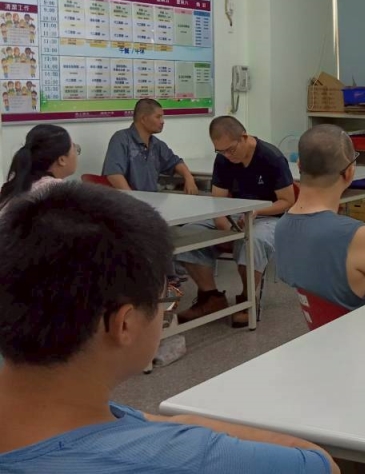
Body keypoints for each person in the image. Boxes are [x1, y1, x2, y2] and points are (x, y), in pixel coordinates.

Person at [0, 183, 339, 474]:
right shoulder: (189, 457)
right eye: (166, 297)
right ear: (124, 323)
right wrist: (188, 426)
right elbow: (318, 463)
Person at [277, 125, 365, 311]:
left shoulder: (282, 227)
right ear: (349, 172)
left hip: (329, 327)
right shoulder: (353, 234)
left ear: (299, 166)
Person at [175, 116, 295, 327]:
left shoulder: (271, 158)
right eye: (220, 151)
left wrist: (255, 211)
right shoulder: (223, 159)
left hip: (267, 216)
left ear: (244, 137)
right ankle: (210, 297)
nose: (227, 156)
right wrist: (223, 224)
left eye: (230, 150)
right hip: (234, 214)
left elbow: (287, 201)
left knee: (253, 240)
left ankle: (247, 299)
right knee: (188, 234)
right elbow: (218, 201)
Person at [102, 98, 199, 194]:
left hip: (152, 199)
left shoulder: (156, 144)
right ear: (144, 119)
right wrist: (132, 199)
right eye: (158, 117)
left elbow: (175, 162)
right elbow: (114, 174)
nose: (162, 121)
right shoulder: (121, 139)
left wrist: (189, 178)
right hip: (128, 200)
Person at [0, 124, 78, 210]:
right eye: (74, 148)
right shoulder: (56, 190)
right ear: (62, 160)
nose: (76, 154)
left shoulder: (19, 183)